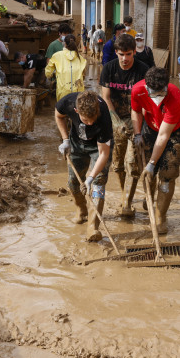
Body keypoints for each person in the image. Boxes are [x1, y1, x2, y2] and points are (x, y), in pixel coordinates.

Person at [132, 67, 180, 234]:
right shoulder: (137, 90)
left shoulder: (175, 96)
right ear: (146, 87)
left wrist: (152, 162)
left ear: (166, 86)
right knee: (148, 172)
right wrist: (137, 133)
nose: (157, 96)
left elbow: (164, 136)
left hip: (174, 133)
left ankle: (160, 216)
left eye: (161, 92)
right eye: (153, 93)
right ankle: (149, 195)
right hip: (150, 128)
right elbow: (135, 111)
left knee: (167, 174)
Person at [100, 33, 149, 217]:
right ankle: (123, 192)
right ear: (116, 52)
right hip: (115, 120)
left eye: (128, 54)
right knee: (118, 165)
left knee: (132, 163)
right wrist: (117, 122)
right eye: (121, 54)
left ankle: (127, 201)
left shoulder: (143, 70)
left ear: (134, 52)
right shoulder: (109, 69)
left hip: (137, 119)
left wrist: (140, 129)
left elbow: (147, 101)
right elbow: (105, 98)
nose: (125, 58)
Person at [55, 90, 113, 241]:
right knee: (73, 182)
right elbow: (58, 115)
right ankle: (81, 209)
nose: (91, 123)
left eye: (93, 119)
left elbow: (103, 154)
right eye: (86, 120)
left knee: (98, 184)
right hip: (76, 144)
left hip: (98, 148)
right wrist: (65, 139)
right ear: (76, 111)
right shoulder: (67, 102)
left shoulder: (104, 117)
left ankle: (93, 227)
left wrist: (90, 178)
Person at [45, 34, 87, 101]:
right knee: (77, 110)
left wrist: (52, 75)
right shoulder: (81, 58)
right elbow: (84, 75)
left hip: (63, 92)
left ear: (64, 44)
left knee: (62, 110)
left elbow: (48, 73)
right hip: (78, 93)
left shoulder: (57, 56)